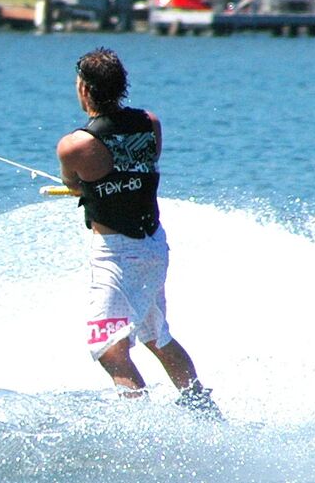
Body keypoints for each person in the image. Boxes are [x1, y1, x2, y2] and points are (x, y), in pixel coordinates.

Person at [56, 47, 217, 413]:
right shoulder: (150, 122)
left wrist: (92, 185)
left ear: (84, 89)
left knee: (109, 350)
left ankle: (142, 429)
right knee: (156, 336)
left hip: (115, 254)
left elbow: (75, 183)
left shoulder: (74, 145)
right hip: (153, 246)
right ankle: (202, 409)